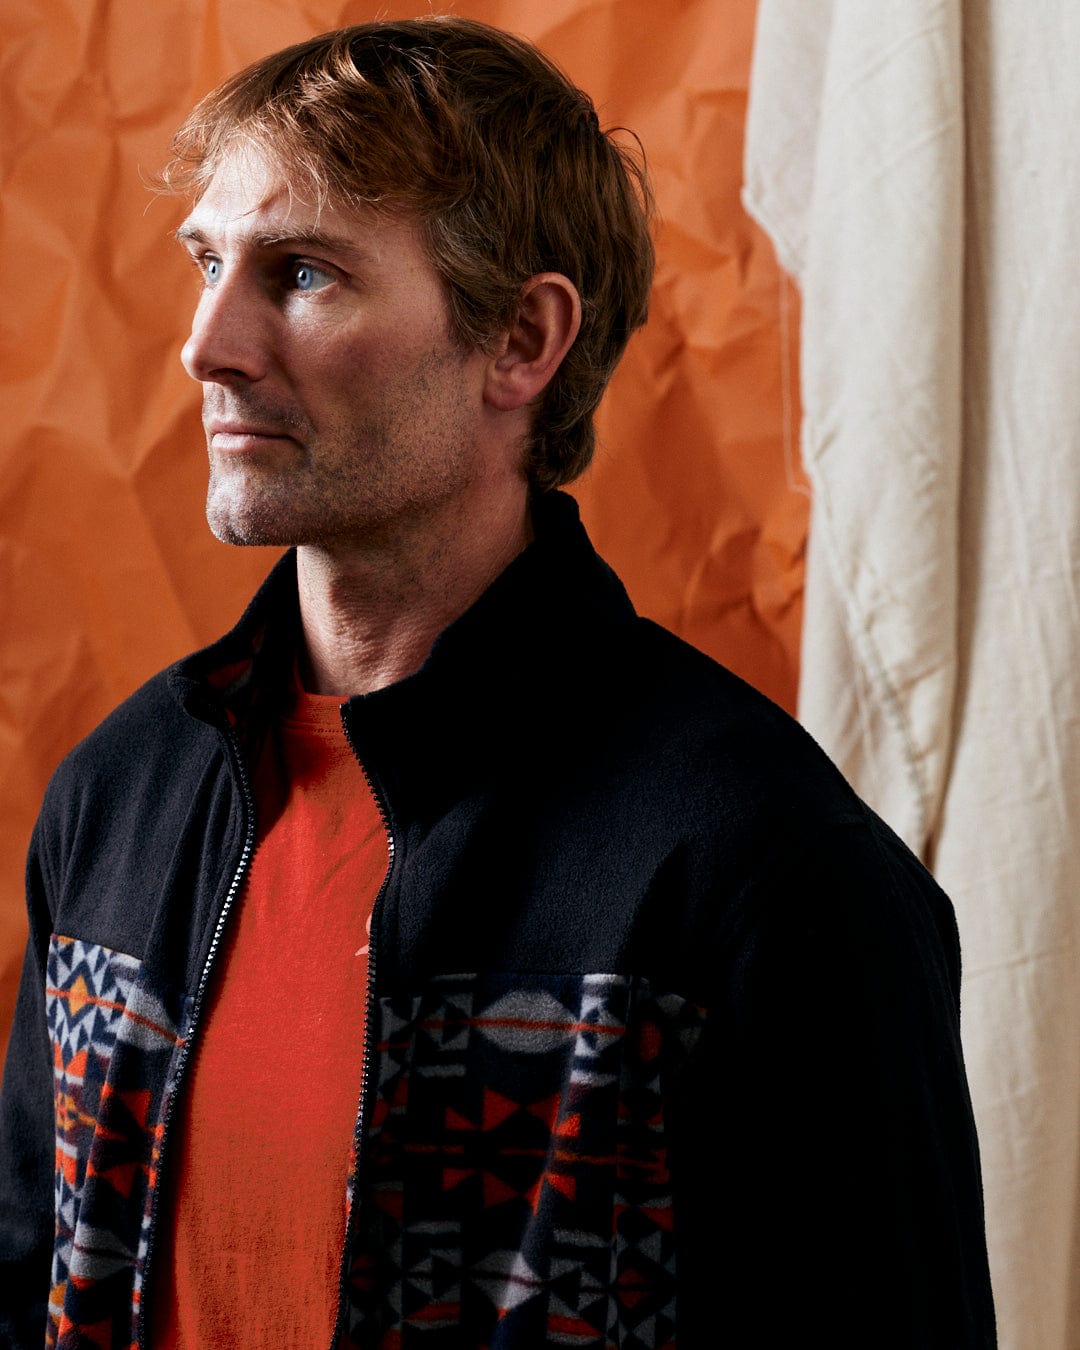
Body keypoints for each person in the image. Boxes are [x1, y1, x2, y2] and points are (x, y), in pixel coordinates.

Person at [0, 17, 996, 1349]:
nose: (208, 343)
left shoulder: (767, 869)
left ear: (523, 339)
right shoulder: (112, 802)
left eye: (302, 273)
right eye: (208, 263)